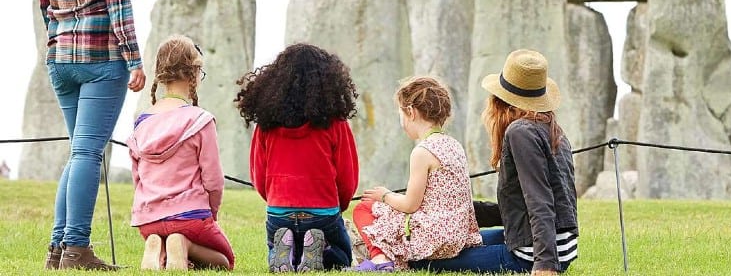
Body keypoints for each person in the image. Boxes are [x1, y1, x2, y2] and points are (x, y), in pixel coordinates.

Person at [37, 0, 146, 270]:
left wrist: (55, 44)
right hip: (101, 58)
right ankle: (77, 250)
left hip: (61, 59)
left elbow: (45, 4)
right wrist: (134, 59)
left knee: (78, 154)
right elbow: (118, 0)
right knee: (87, 154)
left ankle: (57, 249)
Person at [409, 49, 578, 275]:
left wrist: (545, 264)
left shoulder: (521, 132)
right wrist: (465, 210)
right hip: (554, 244)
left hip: (537, 254)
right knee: (445, 246)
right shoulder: (551, 129)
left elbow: (540, 199)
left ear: (502, 101)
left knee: (421, 258)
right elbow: (527, 206)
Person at [235, 43, 360, 272]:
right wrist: (338, 207)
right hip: (323, 214)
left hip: (279, 213)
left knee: (279, 240)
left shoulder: (266, 125)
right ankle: (321, 252)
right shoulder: (336, 123)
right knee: (343, 257)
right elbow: (347, 177)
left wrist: (276, 200)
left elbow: (258, 175)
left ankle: (284, 252)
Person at [351, 76, 482, 271]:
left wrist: (385, 195)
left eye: (401, 114)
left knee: (363, 208)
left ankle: (381, 261)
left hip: (432, 239)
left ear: (411, 112)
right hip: (458, 235)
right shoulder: (455, 145)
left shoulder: (422, 151)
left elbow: (410, 205)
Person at [126, 35, 234, 270]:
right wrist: (211, 213)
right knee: (225, 261)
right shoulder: (200, 120)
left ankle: (159, 247)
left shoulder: (141, 123)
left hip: (150, 220)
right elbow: (213, 180)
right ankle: (184, 245)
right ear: (194, 73)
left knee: (163, 237)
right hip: (190, 217)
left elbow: (138, 177)